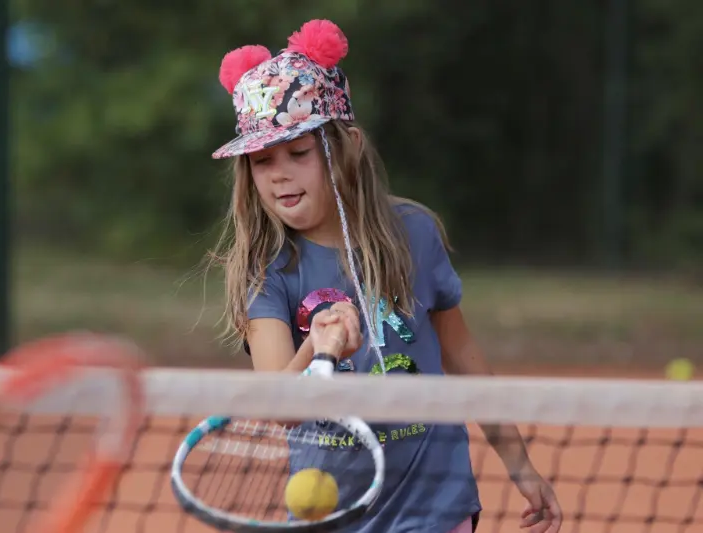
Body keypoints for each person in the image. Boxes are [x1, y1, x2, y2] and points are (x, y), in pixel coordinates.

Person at [206, 18, 563, 533]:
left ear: (345, 147)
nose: (279, 172)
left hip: (433, 503)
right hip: (328, 513)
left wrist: (519, 464)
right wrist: (319, 348)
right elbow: (279, 405)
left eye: (299, 153)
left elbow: (462, 356)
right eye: (262, 161)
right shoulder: (266, 271)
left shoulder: (414, 233)